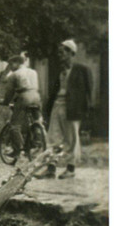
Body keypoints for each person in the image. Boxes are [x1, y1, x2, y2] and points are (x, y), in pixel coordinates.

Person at [42, 38, 93, 179]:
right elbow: (54, 92)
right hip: (57, 106)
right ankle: (51, 168)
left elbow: (89, 91)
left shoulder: (82, 70)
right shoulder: (60, 72)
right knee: (52, 137)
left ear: (71, 53)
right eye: (59, 53)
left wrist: (86, 111)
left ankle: (70, 169)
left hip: (73, 109)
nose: (60, 55)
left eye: (62, 52)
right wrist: (47, 109)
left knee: (72, 139)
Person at [2, 53, 42, 159]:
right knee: (36, 120)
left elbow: (9, 92)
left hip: (24, 97)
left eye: (11, 64)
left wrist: (5, 102)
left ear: (17, 63)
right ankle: (38, 139)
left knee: (14, 125)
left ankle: (17, 149)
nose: (10, 67)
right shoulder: (33, 72)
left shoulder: (14, 75)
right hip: (36, 96)